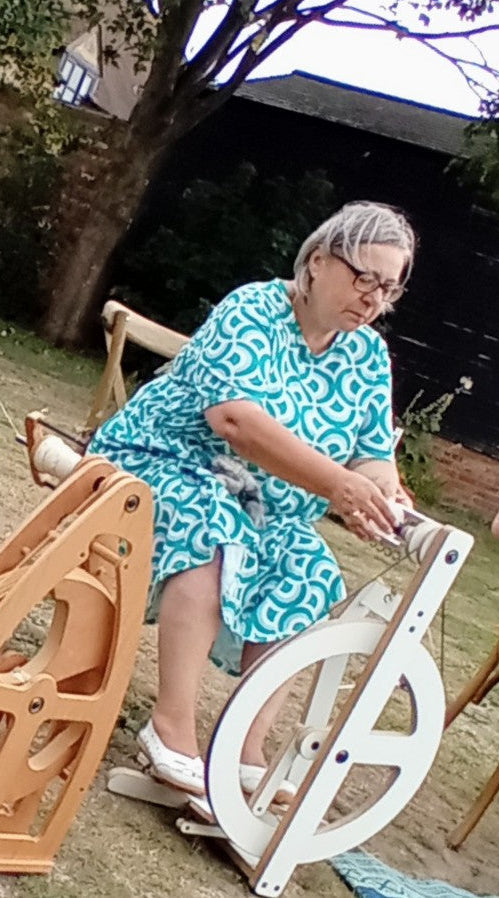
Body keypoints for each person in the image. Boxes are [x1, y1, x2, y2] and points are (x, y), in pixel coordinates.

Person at [88, 201, 414, 796]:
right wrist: (338, 485)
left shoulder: (366, 355)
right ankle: (172, 726)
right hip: (164, 462)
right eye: (364, 277)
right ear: (318, 262)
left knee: (309, 568)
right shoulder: (254, 309)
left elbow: (371, 451)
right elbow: (234, 420)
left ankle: (243, 745)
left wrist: (383, 491)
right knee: (214, 525)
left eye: (388, 288)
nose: (373, 298)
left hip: (265, 505)